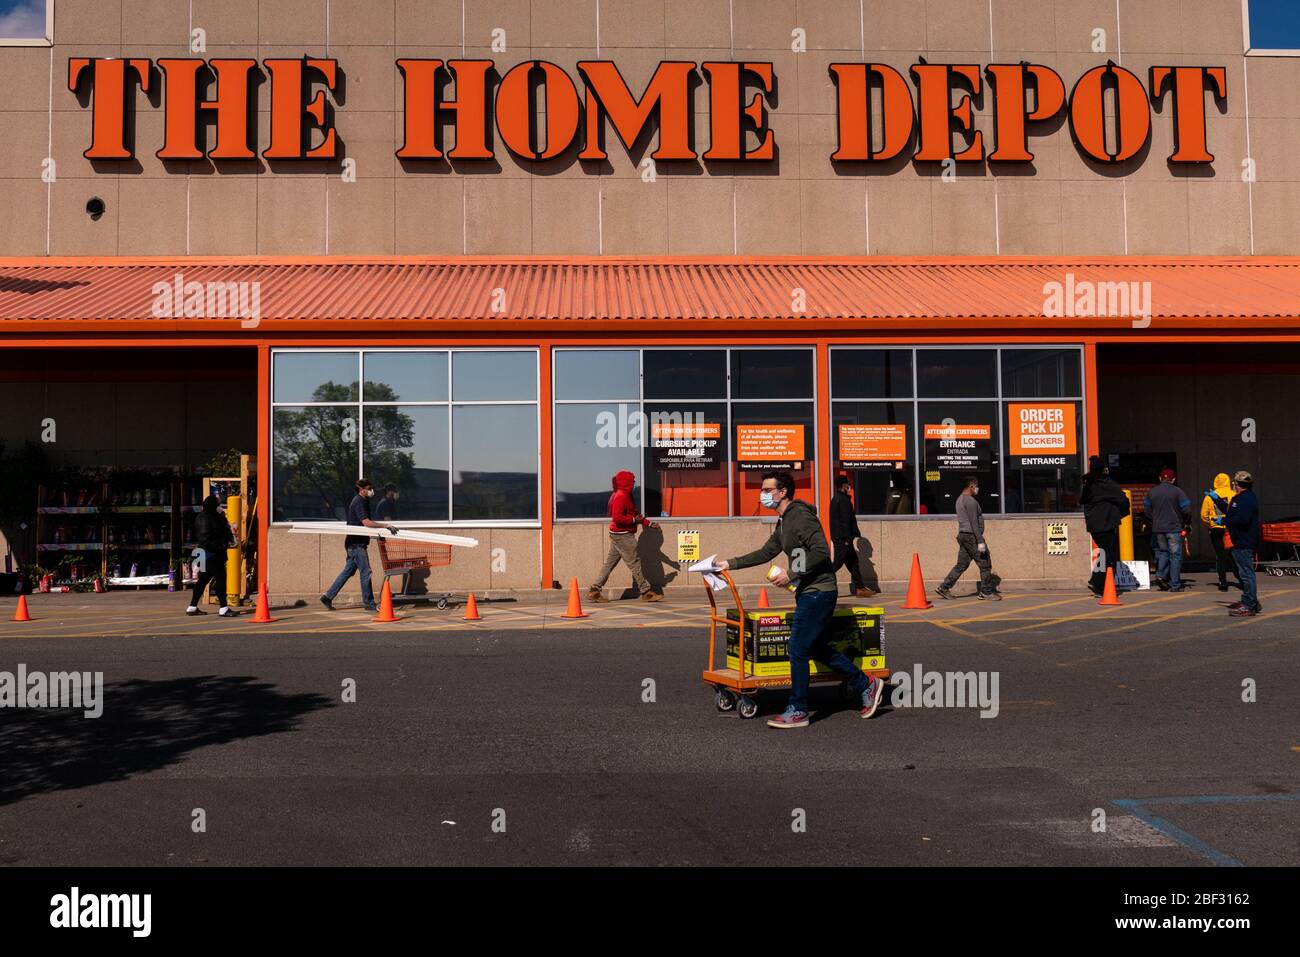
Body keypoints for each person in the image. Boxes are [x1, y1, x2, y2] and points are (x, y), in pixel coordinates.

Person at [715, 470, 884, 729]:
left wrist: (792, 573)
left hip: (819, 591)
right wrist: (729, 563)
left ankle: (798, 708)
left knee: (797, 647)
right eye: (763, 490)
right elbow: (766, 552)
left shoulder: (800, 516)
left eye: (768, 490)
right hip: (808, 591)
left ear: (782, 492)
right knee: (814, 648)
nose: (763, 494)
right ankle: (865, 683)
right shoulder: (783, 522)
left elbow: (820, 551)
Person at [320, 478, 399, 612]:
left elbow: (363, 523)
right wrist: (385, 526)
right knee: (366, 572)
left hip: (354, 542)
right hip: (356, 544)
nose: (371, 491)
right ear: (362, 490)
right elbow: (366, 522)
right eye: (368, 488)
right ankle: (368, 603)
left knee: (348, 571)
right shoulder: (359, 502)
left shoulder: (363, 501)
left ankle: (328, 596)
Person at [588, 470, 663, 603]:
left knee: (609, 564)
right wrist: (635, 521)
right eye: (632, 481)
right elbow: (617, 518)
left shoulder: (624, 495)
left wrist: (649, 523)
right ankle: (646, 592)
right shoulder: (621, 496)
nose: (634, 483)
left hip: (618, 535)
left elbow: (635, 514)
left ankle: (595, 589)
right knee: (635, 563)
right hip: (623, 536)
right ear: (626, 482)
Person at [936, 474, 1001, 600]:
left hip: (963, 535)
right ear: (971, 486)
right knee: (985, 564)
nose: (977, 488)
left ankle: (944, 587)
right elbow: (974, 522)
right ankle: (986, 592)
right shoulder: (970, 501)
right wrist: (980, 541)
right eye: (976, 486)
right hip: (971, 536)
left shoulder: (960, 499)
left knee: (962, 564)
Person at [1080, 455, 1129, 595]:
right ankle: (1099, 582)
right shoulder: (1106, 484)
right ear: (1103, 469)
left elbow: (1082, 500)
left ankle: (1098, 582)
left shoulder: (1088, 484)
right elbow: (1122, 499)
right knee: (1110, 555)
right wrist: (1121, 512)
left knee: (1104, 553)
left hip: (1094, 525)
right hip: (1105, 524)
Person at [186, 495, 239, 617]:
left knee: (203, 580)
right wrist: (221, 546)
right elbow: (206, 537)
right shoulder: (209, 517)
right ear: (213, 505)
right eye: (217, 504)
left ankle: (192, 607)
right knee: (221, 578)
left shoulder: (203, 516)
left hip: (203, 553)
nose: (219, 506)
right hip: (211, 554)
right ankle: (224, 608)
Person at [1146, 468, 1192, 592]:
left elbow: (1147, 510)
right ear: (1173, 479)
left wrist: (1154, 521)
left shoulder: (1152, 492)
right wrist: (1186, 523)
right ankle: (1175, 585)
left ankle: (1160, 575)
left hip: (1158, 528)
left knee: (1163, 552)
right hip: (1174, 528)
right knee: (1175, 556)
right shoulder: (1178, 492)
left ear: (1160, 478)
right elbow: (1187, 510)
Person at [829, 475, 875, 597]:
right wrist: (847, 539)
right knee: (837, 563)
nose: (849, 486)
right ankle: (818, 583)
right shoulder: (842, 500)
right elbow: (845, 521)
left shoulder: (837, 498)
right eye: (847, 484)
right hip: (844, 539)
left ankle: (860, 588)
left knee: (853, 563)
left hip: (842, 538)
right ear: (843, 485)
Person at [1224, 470, 1262, 618]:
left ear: (1237, 484)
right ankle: (1249, 601)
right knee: (1244, 574)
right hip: (1240, 541)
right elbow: (1233, 512)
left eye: (1234, 483)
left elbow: (1241, 519)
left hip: (1244, 542)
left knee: (1247, 575)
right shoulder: (1243, 497)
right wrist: (1217, 501)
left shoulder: (1246, 499)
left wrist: (1224, 521)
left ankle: (1250, 605)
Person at [1201, 472, 1241, 593]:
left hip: (1216, 529)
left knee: (1220, 555)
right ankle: (1240, 578)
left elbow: (1203, 515)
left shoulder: (1210, 496)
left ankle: (1223, 582)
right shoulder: (1234, 494)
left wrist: (1210, 525)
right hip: (1231, 528)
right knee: (1233, 555)